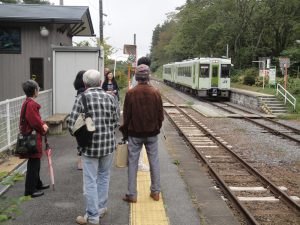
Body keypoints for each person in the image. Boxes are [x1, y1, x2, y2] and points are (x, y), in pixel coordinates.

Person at [68, 69, 119, 225]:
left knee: (90, 180)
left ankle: (92, 216)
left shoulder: (81, 98)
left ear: (85, 83)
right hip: (108, 145)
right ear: (100, 82)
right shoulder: (111, 98)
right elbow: (116, 122)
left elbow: (72, 124)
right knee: (104, 177)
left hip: (89, 146)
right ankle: (101, 208)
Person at [120, 64, 164, 203]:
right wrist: (156, 127)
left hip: (134, 133)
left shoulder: (131, 93)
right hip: (152, 133)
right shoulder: (155, 92)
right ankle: (156, 192)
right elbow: (160, 115)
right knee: (154, 162)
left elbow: (126, 116)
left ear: (136, 77)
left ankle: (132, 195)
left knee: (133, 163)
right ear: (148, 76)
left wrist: (125, 132)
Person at [19, 80, 49, 198]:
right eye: (38, 88)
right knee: (34, 162)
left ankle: (37, 184)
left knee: (35, 161)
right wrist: (43, 128)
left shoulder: (28, 102)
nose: (39, 90)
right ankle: (30, 190)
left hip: (30, 135)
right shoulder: (31, 104)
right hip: (32, 137)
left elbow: (34, 120)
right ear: (35, 90)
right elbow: (35, 122)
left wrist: (41, 125)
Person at [130, 56, 152, 172]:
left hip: (137, 113)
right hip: (140, 114)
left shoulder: (137, 76)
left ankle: (138, 163)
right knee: (139, 142)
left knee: (138, 141)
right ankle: (138, 164)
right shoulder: (139, 79)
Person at [73, 70, 86, 170]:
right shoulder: (83, 90)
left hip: (80, 118)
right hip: (84, 118)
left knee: (80, 140)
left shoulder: (79, 89)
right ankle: (81, 163)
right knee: (84, 140)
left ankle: (80, 162)